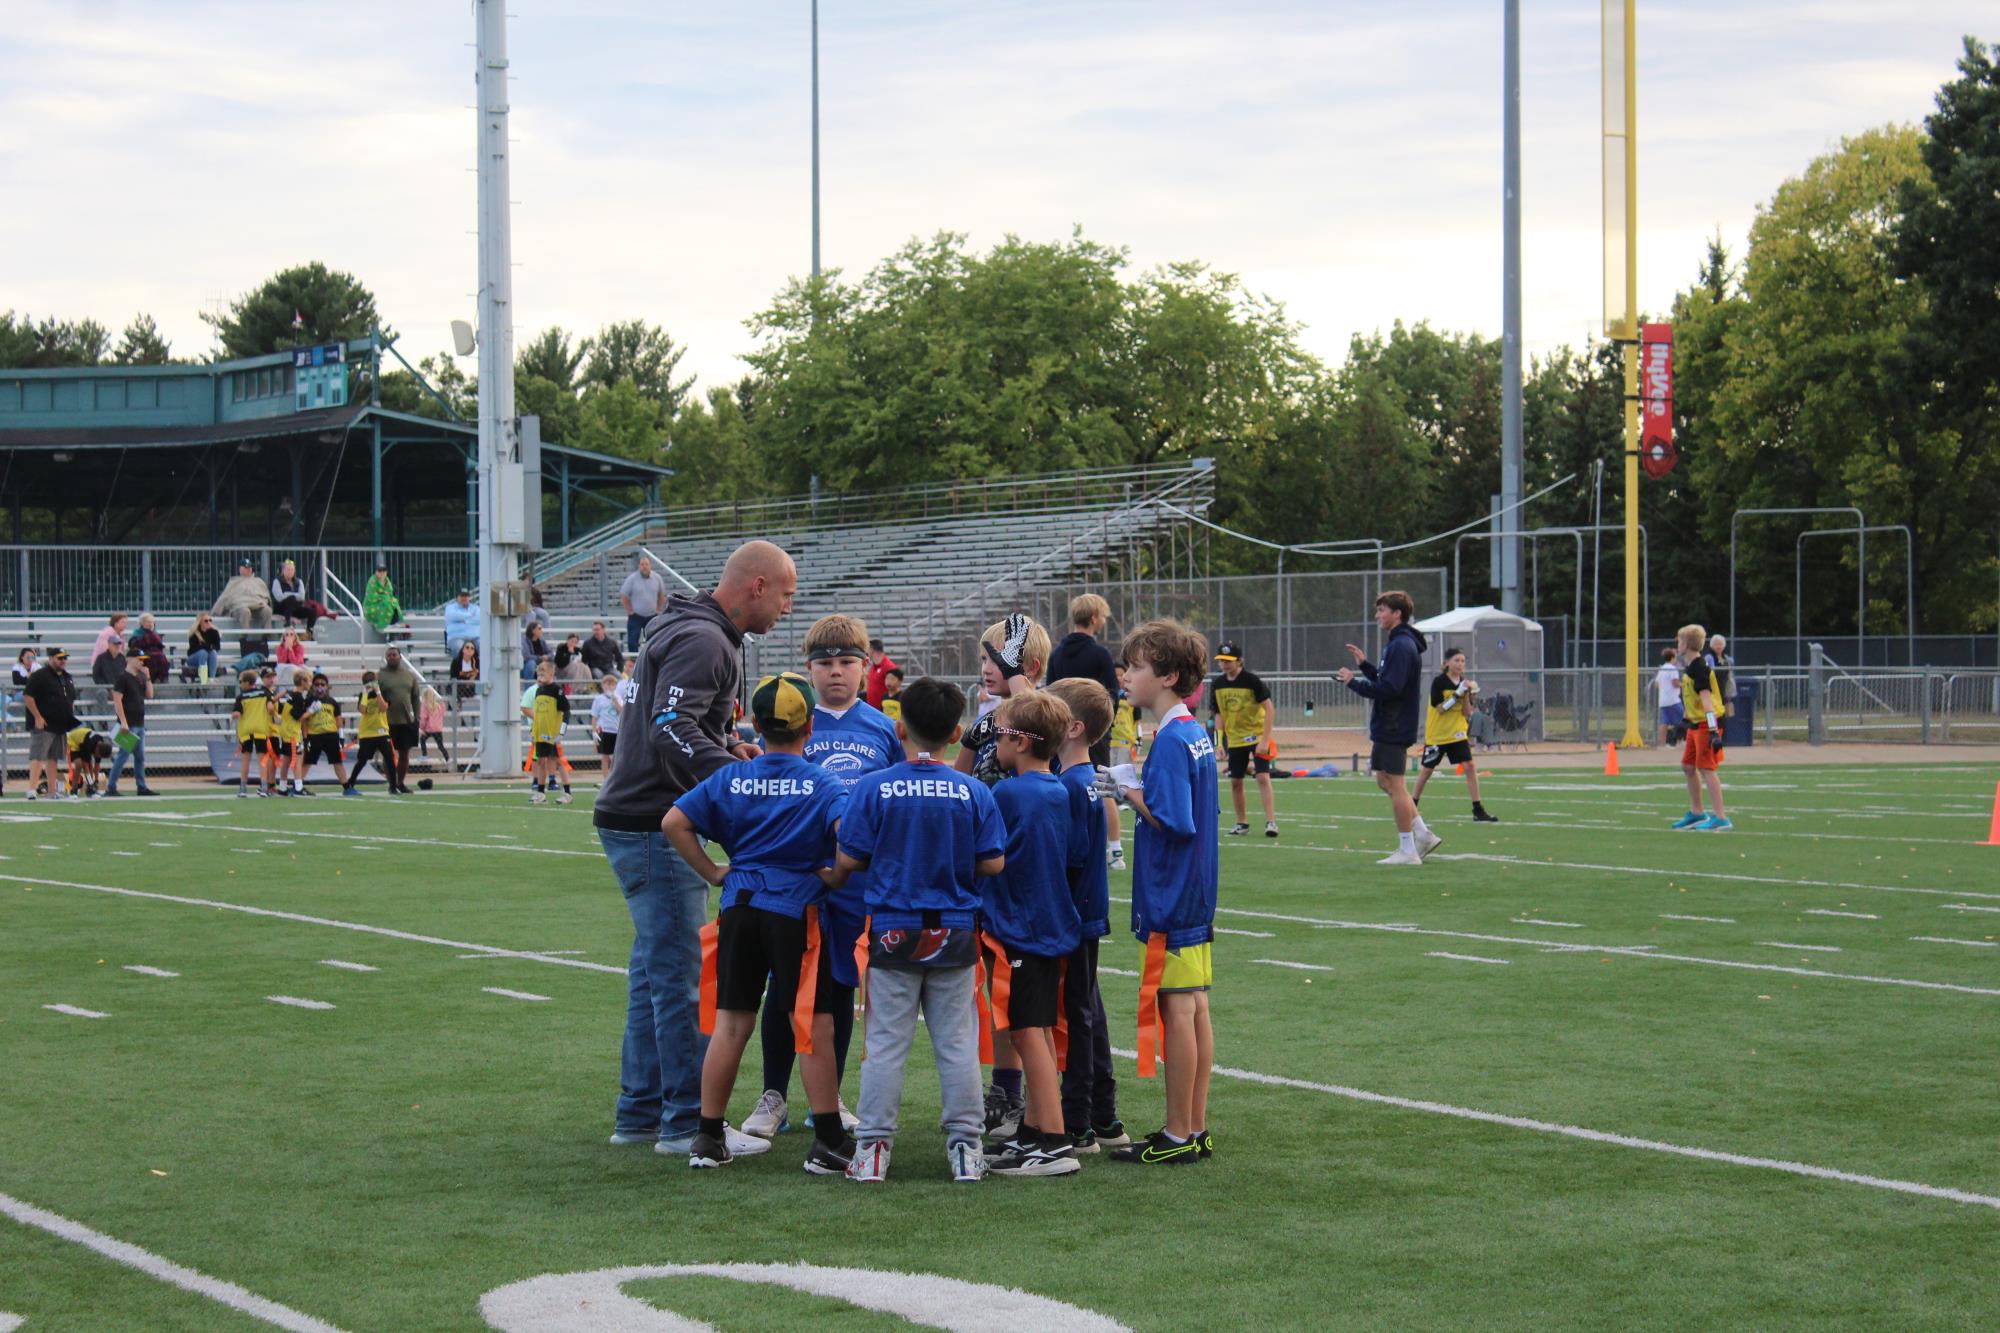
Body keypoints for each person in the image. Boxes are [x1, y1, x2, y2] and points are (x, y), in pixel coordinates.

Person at [593, 539, 797, 1155]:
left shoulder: (691, 627)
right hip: (654, 820)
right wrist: (738, 781)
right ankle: (686, 1123)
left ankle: (640, 1113)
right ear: (756, 586)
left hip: (638, 813)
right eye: (785, 593)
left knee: (651, 975)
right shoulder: (706, 638)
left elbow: (687, 723)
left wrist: (727, 744)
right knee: (679, 977)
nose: (789, 606)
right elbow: (667, 729)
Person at [663, 672, 848, 1172]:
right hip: (794, 910)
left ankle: (707, 1136)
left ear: (754, 725)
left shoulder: (729, 776)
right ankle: (829, 1139)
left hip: (740, 907)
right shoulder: (823, 782)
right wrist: (835, 874)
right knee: (810, 1022)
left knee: (731, 1022)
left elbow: (674, 822)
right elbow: (851, 840)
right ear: (810, 725)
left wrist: (714, 871)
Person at [833, 677, 1008, 1185]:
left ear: (899, 726)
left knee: (886, 1044)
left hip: (893, 928)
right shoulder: (972, 789)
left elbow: (851, 855)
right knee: (957, 1042)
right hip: (953, 928)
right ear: (957, 733)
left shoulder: (873, 785)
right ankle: (966, 1150)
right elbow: (993, 862)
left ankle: (873, 1152)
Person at [742, 615, 898, 1142]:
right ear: (808, 668)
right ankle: (773, 1095)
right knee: (783, 987)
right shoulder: (795, 720)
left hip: (854, 882)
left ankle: (827, 1099)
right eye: (825, 664)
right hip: (796, 878)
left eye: (847, 663)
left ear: (865, 666)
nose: (836, 673)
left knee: (837, 986)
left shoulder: (879, 727)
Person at [1110, 618, 1218, 1165]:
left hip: (1173, 891)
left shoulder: (1175, 739)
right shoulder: (1191, 732)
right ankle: (1193, 1127)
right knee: (1195, 1006)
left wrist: (1128, 789)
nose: (1126, 675)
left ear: (1169, 675)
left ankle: (1178, 1133)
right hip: (1194, 889)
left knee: (1178, 1007)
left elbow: (1173, 820)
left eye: (1136, 666)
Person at [978, 689, 1090, 1177]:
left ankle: (1053, 1141)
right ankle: (1036, 1130)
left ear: (1022, 742)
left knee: (1027, 1032)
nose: (995, 745)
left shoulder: (1008, 793)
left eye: (1000, 735)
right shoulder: (1059, 789)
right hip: (1049, 923)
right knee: (1038, 1029)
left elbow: (985, 853)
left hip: (1024, 927)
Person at [1043, 675, 1128, 1153]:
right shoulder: (1085, 778)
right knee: (1088, 1010)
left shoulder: (1072, 786)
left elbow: (1070, 856)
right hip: (1086, 910)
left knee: (1077, 1014)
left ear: (1072, 727)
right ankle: (1104, 1114)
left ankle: (1078, 1121)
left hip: (1074, 914)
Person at [1338, 591, 1435, 866]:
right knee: (1384, 780)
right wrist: (1365, 667)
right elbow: (1387, 679)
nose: (1378, 616)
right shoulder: (1398, 644)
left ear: (1397, 614)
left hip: (1394, 724)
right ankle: (1422, 833)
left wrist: (1352, 682)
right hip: (1389, 723)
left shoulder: (1401, 646)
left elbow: (1390, 688)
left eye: (1382, 610)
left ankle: (1409, 849)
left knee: (1396, 784)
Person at [1047, 593, 1127, 868]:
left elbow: (1048, 694)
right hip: (1094, 731)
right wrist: (1105, 726)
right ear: (1094, 618)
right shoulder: (1099, 653)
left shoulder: (1057, 653)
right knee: (1101, 788)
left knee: (1063, 784)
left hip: (1062, 733)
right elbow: (1111, 695)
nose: (1103, 621)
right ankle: (1115, 850)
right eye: (1103, 617)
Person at [955, 614, 1049, 789]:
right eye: (984, 659)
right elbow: (960, 783)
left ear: (1031, 668)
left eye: (999, 660)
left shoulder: (1050, 718)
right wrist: (970, 740)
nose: (986, 669)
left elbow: (1031, 719)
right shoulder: (985, 723)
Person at [1410, 647, 1498, 823]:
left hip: (1457, 733)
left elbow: (1467, 713)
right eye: (1456, 660)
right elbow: (1440, 709)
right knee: (1427, 770)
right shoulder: (1439, 682)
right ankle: (1412, 805)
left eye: (1463, 661)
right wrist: (1456, 694)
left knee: (1470, 766)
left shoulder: (1464, 683)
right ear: (1447, 663)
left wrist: (1465, 694)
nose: (1460, 664)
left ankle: (1477, 809)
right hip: (1438, 734)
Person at [1208, 640, 1278, 840]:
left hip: (1256, 735)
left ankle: (1271, 821)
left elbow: (1269, 708)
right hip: (1236, 738)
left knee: (1263, 777)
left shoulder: (1251, 680)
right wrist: (1219, 743)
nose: (1224, 665)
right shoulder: (1218, 684)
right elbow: (1219, 715)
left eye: (1228, 661)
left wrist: (1264, 740)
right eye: (1221, 661)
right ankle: (1242, 823)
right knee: (1236, 781)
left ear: (1240, 661)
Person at [1670, 624, 1732, 832]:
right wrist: (1686, 721)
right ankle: (1697, 813)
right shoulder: (1691, 667)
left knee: (1707, 768)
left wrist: (1714, 730)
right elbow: (1694, 700)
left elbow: (1707, 701)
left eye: (1679, 641)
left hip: (1707, 723)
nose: (1677, 644)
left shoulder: (1699, 667)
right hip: (1696, 724)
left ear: (1686, 644)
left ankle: (1721, 817)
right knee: (1688, 766)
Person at [22, 647, 79, 802]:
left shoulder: (67, 677)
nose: (63, 661)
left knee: (53, 758)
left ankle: (52, 791)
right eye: (59, 658)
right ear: (51, 658)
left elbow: (70, 698)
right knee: (38, 756)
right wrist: (37, 717)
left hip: (59, 723)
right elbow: (28, 696)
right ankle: (32, 789)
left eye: (64, 658)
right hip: (44, 722)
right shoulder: (40, 675)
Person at [104, 650, 158, 797]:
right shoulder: (123, 678)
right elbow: (117, 700)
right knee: (123, 755)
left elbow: (150, 695)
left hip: (139, 723)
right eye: (139, 659)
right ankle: (111, 786)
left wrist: (148, 678)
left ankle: (141, 786)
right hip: (129, 723)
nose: (142, 662)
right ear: (130, 659)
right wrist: (123, 722)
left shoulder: (140, 676)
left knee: (140, 757)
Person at [375, 645, 423, 796]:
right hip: (387, 721)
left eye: (394, 655)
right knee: (388, 755)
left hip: (406, 721)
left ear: (400, 656)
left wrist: (417, 716)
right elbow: (373, 696)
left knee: (404, 754)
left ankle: (401, 783)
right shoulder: (380, 675)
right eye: (389, 655)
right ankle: (391, 784)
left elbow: (416, 697)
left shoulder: (409, 675)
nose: (391, 657)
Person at [527, 659, 572, 805]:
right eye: (538, 673)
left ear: (551, 674)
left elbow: (566, 711)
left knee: (558, 762)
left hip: (553, 735)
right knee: (540, 762)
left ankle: (567, 793)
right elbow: (539, 714)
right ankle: (540, 792)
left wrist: (561, 732)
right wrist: (534, 732)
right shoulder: (538, 690)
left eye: (543, 673)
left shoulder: (556, 690)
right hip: (540, 734)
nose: (539, 676)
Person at [342, 672, 394, 795]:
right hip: (367, 734)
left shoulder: (383, 693)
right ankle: (351, 783)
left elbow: (383, 708)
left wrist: (378, 692)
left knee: (389, 758)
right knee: (362, 760)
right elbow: (362, 710)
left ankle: (393, 785)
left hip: (382, 732)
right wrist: (365, 692)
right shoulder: (363, 695)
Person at [300, 671, 351, 794]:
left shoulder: (332, 702)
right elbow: (304, 721)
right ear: (313, 686)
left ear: (327, 686)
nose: (320, 687)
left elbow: (338, 719)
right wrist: (305, 738)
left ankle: (347, 787)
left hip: (331, 735)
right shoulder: (308, 701)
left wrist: (341, 737)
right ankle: (298, 786)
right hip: (314, 735)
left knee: (337, 762)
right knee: (307, 762)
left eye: (323, 684)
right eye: (317, 684)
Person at [231, 667, 275, 798]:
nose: (240, 684)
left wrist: (233, 715)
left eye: (241, 681)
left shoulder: (241, 697)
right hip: (261, 729)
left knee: (246, 759)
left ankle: (243, 788)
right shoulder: (264, 693)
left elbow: (237, 714)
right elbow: (271, 709)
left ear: (246, 682)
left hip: (246, 731)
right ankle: (263, 787)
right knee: (262, 759)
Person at [275, 668, 313, 796]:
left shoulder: (291, 695)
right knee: (297, 759)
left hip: (285, 731)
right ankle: (298, 787)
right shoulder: (297, 697)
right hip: (292, 732)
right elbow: (299, 717)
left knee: (286, 760)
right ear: (302, 681)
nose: (310, 683)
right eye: (309, 680)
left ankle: (282, 787)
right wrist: (311, 711)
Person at [212, 558, 274, 638]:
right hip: (240, 607)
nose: (248, 570)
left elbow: (267, 597)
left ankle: (266, 634)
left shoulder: (258, 581)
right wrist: (215, 613)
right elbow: (224, 597)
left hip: (257, 606)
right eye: (245, 568)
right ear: (240, 569)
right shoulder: (234, 582)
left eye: (249, 568)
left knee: (267, 610)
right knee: (245, 611)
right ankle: (244, 635)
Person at [269, 558, 333, 632]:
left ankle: (309, 631)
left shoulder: (299, 581)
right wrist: (293, 596)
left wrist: (287, 594)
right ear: (283, 571)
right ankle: (287, 623)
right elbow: (279, 597)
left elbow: (302, 597)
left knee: (312, 611)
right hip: (281, 608)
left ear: (294, 571)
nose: (290, 572)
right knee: (291, 599)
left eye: (292, 570)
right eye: (288, 570)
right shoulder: (277, 581)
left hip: (295, 608)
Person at [620, 555, 669, 651]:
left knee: (654, 640)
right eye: (642, 564)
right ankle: (634, 662)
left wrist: (659, 609)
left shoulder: (657, 578)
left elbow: (661, 594)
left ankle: (652, 660)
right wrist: (629, 610)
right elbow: (624, 594)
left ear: (650, 565)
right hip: (635, 616)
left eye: (646, 564)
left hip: (652, 616)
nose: (644, 566)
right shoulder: (632, 579)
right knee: (632, 642)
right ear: (639, 566)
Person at [1109, 663, 1143, 769]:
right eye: (1115, 675)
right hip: (1109, 742)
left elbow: (1137, 721)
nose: (1118, 678)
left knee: (1123, 776)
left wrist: (1139, 739)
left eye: (1121, 675)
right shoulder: (1106, 697)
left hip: (1125, 743)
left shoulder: (1132, 697)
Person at [1654, 647, 1684, 747]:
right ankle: (1681, 741)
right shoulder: (1672, 668)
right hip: (1673, 700)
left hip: (1663, 700)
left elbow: (1656, 684)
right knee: (1685, 718)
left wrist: (1665, 688)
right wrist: (1684, 685)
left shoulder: (1662, 668)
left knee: (1665, 722)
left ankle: (1662, 744)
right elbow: (1675, 683)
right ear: (1672, 658)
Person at [363, 562, 404, 633]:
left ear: (386, 572)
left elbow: (390, 593)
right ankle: (382, 625)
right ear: (376, 572)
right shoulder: (372, 581)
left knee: (394, 602)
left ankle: (393, 622)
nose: (382, 573)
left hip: (385, 601)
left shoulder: (387, 581)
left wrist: (386, 597)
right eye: (379, 570)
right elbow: (370, 595)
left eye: (384, 570)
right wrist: (383, 597)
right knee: (386, 601)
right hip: (372, 605)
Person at [590, 674, 623, 760]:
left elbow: (622, 712)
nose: (609, 687)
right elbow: (594, 717)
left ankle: (614, 773)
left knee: (615, 756)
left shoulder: (619, 698)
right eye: (607, 684)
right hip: (604, 730)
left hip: (616, 730)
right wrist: (594, 732)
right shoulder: (598, 699)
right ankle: (605, 774)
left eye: (612, 684)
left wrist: (615, 700)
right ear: (602, 685)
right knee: (605, 756)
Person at [131, 614, 170, 684]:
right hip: (141, 654)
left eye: (152, 622)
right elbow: (135, 648)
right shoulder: (137, 634)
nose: (151, 624)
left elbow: (159, 647)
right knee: (152, 657)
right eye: (148, 622)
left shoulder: (155, 634)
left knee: (161, 657)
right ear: (142, 623)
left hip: (155, 655)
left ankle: (162, 678)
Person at [418, 686, 451, 766]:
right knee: (440, 745)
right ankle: (448, 758)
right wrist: (442, 703)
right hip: (438, 729)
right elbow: (443, 711)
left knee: (422, 740)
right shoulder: (439, 706)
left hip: (429, 729)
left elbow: (423, 718)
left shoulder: (425, 706)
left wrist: (421, 728)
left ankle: (424, 755)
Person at [185, 613, 223, 683]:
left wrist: (204, 645)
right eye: (206, 621)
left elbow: (217, 647)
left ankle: (212, 678)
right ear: (200, 622)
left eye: (210, 620)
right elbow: (193, 649)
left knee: (213, 652)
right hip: (193, 658)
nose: (208, 622)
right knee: (203, 652)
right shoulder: (194, 633)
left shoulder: (214, 632)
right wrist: (209, 646)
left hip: (208, 657)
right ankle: (203, 678)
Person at [864, 637, 899, 709]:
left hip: (883, 711)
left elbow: (895, 689)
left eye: (868, 650)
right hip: (872, 709)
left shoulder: (889, 667)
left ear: (872, 650)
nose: (866, 653)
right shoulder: (873, 666)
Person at [443, 588, 481, 654]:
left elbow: (480, 618)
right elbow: (452, 616)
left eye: (466, 596)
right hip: (457, 637)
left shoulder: (476, 608)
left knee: (484, 647)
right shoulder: (450, 608)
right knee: (458, 648)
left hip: (475, 637)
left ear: (469, 598)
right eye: (462, 596)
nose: (464, 598)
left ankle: (479, 664)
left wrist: (463, 620)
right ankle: (460, 664)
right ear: (457, 598)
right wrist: (471, 616)